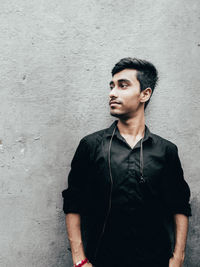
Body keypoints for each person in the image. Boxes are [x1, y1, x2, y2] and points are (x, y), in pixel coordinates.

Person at [62, 57, 192, 267]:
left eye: (123, 86)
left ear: (145, 94)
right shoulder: (91, 145)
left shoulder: (166, 151)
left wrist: (178, 259)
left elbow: (180, 206)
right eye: (112, 86)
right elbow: (73, 203)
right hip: (103, 260)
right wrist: (79, 260)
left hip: (155, 260)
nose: (112, 93)